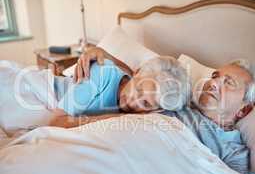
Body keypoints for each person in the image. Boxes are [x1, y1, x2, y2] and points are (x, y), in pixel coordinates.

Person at [49, 48, 191, 128]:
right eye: (139, 89)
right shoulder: (103, 72)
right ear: (137, 72)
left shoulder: (156, 112)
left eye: (146, 103)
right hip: (41, 90)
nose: (133, 102)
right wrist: (118, 117)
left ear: (157, 110)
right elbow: (55, 122)